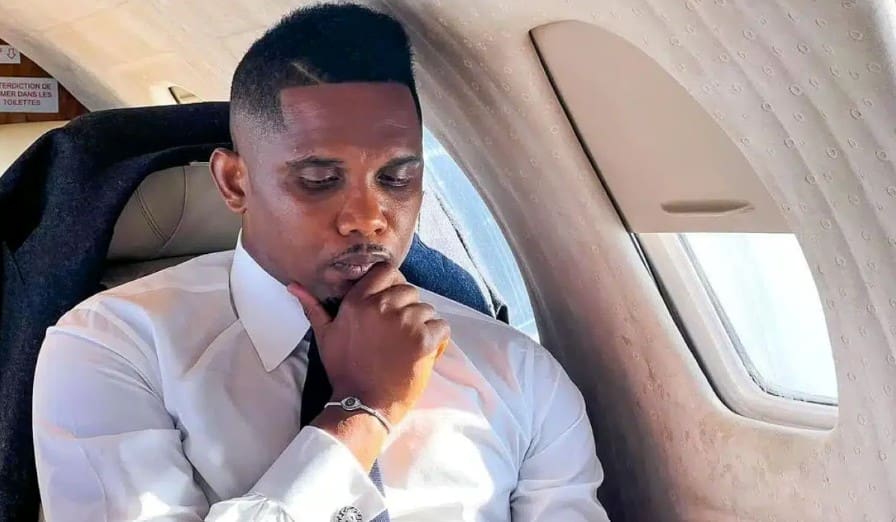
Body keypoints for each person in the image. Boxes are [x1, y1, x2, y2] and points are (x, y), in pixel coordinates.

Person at [32, 4, 609, 521]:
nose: (368, 217)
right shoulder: (112, 345)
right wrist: (363, 410)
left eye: (396, 178)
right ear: (234, 182)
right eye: (319, 179)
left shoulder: (520, 373)